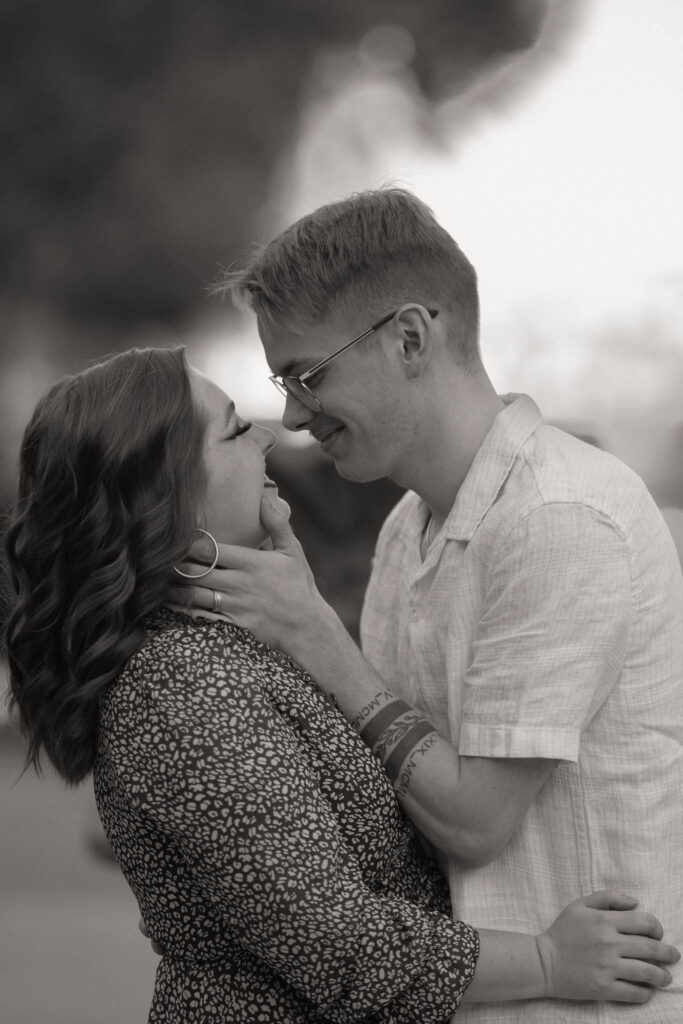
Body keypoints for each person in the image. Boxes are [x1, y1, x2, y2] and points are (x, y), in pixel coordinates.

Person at [5, 347, 679, 1023]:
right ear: (166, 494)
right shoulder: (183, 686)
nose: (270, 434)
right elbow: (338, 948)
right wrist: (545, 960)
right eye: (237, 431)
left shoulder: (225, 646)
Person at [188, 188, 683, 1022]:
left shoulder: (559, 516)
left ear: (410, 338)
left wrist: (315, 634)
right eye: (281, 382)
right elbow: (388, 797)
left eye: (307, 375)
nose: (292, 416)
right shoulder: (407, 529)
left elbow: (476, 820)